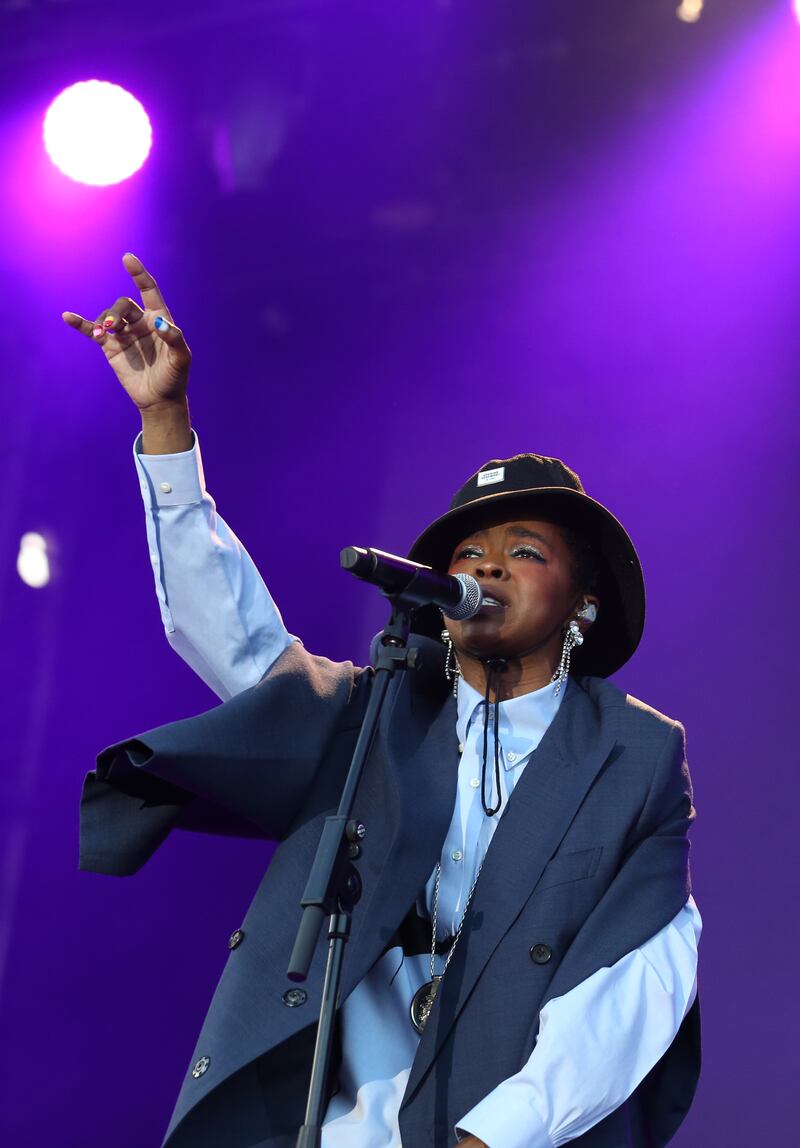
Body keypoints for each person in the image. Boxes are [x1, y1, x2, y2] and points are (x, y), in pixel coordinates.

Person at [64, 256, 701, 1148]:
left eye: (523, 551)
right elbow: (237, 638)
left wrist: (497, 1136)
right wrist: (166, 423)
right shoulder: (377, 712)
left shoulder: (633, 756)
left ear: (584, 602)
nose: (483, 566)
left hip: (502, 1129)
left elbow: (639, 973)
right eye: (469, 551)